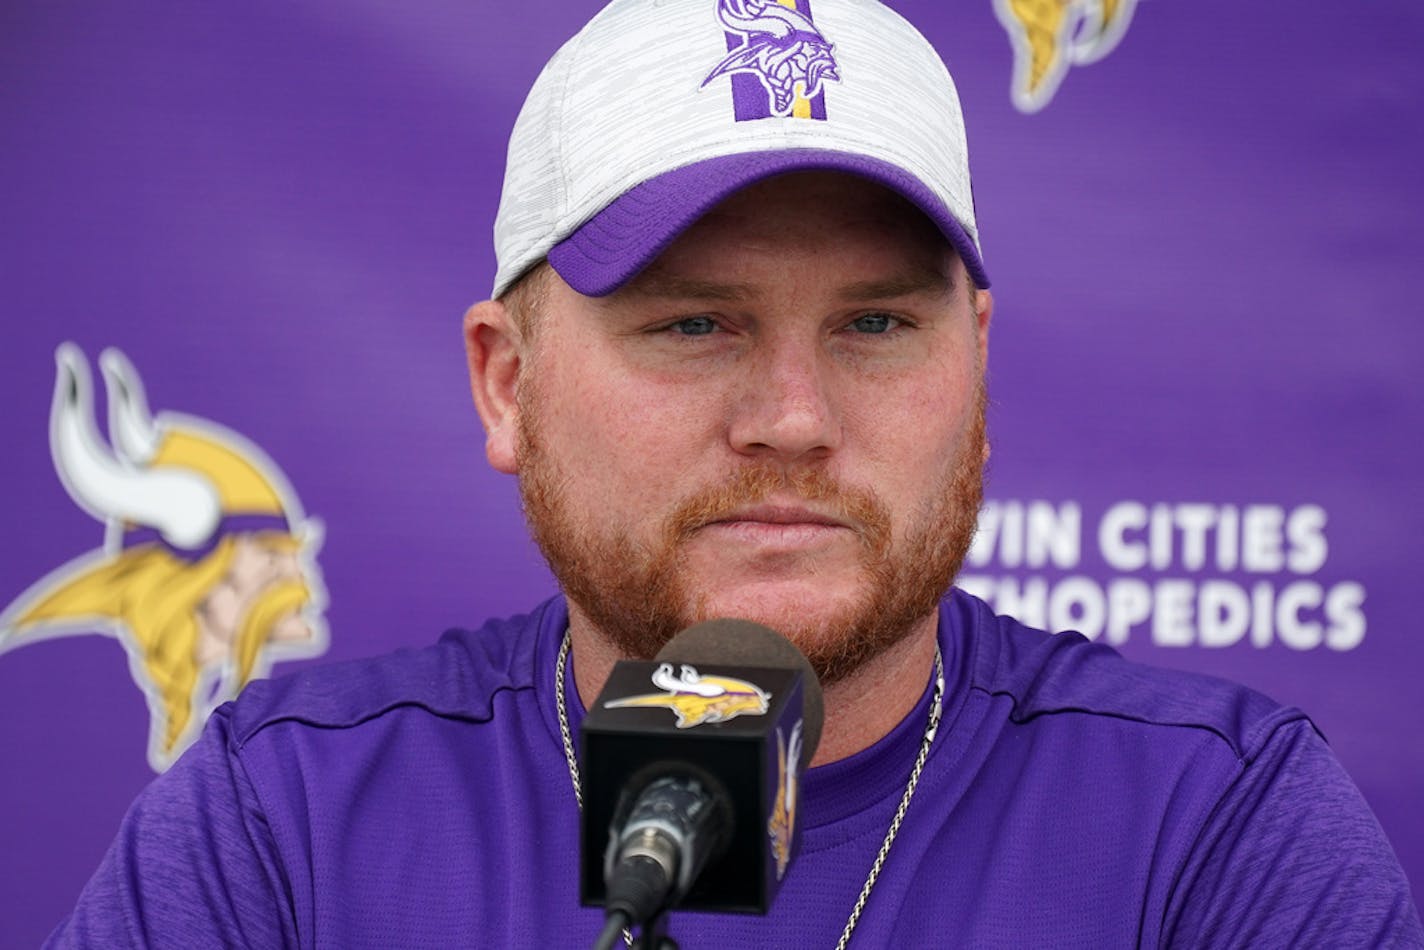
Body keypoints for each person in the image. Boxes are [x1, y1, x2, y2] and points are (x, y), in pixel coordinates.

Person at [48, 0, 1422, 946]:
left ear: (978, 367)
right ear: (506, 382)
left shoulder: (1219, 831)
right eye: (695, 322)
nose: (792, 416)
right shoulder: (280, 824)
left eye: (876, 324)